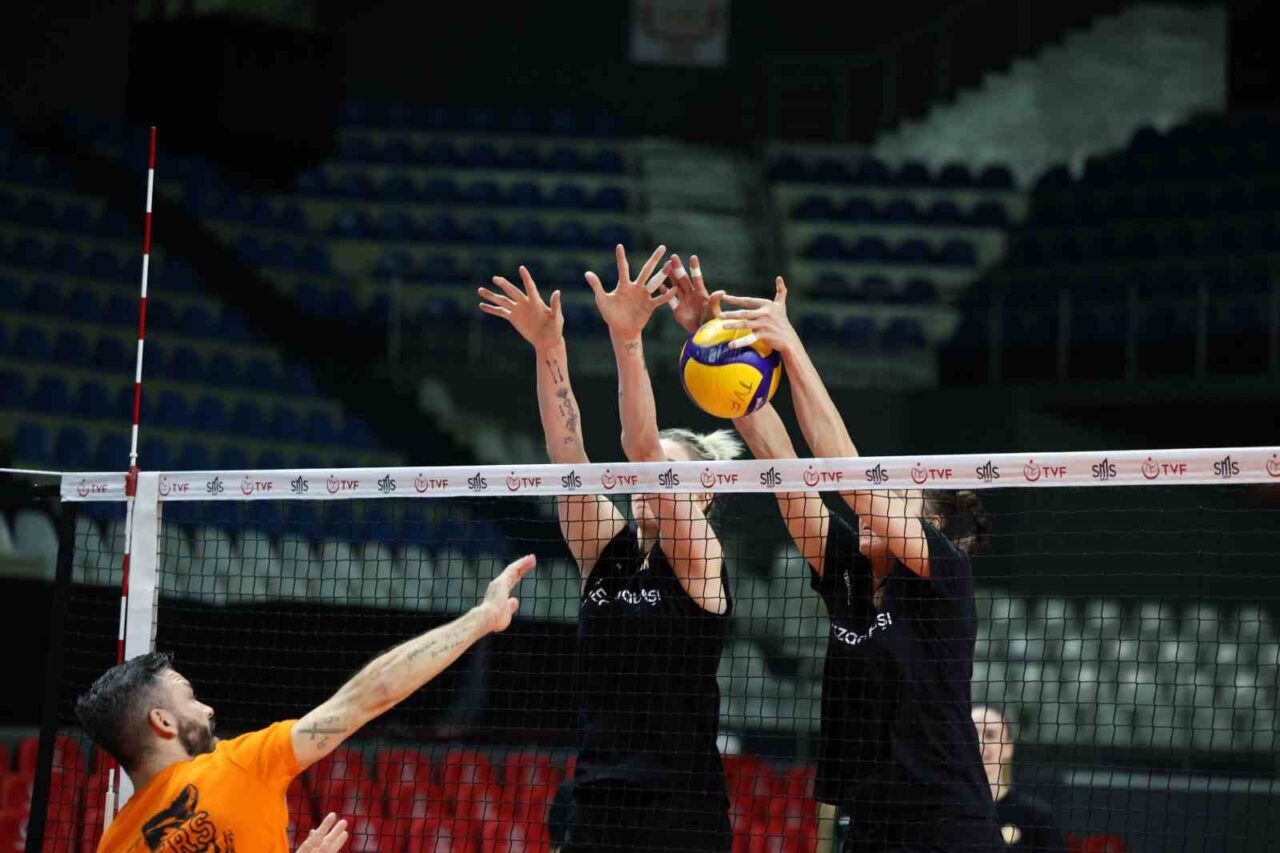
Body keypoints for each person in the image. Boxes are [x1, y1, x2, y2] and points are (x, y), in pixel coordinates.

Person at [667, 261, 998, 851]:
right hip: (866, 826)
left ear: (930, 525)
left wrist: (790, 346)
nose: (874, 504)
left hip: (946, 826)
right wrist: (716, 350)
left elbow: (846, 473)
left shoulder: (943, 574)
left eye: (893, 495)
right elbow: (787, 473)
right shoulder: (847, 570)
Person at [477, 244, 737, 852]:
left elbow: (641, 451)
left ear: (703, 496)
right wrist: (549, 347)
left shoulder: (701, 561)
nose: (647, 481)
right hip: (596, 804)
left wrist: (628, 337)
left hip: (680, 815)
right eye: (647, 475)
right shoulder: (609, 552)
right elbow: (567, 456)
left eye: (669, 474)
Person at [76, 555, 537, 851]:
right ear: (162, 720)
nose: (208, 709)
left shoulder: (114, 843)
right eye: (190, 698)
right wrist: (480, 620)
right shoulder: (242, 762)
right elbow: (371, 694)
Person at [972, 706, 1067, 852]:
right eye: (971, 734)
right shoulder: (943, 811)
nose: (980, 743)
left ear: (1008, 748)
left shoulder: (1036, 818)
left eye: (990, 735)